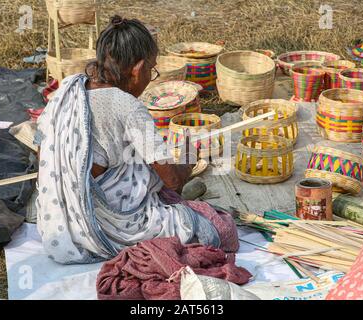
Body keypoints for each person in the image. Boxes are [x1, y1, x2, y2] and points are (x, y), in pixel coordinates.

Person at [34, 15, 238, 264]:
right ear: (138, 69)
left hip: (59, 224)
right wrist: (187, 161)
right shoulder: (128, 107)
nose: (150, 77)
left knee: (139, 167)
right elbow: (172, 180)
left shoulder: (68, 88)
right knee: (220, 229)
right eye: (151, 70)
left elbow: (41, 148)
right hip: (104, 226)